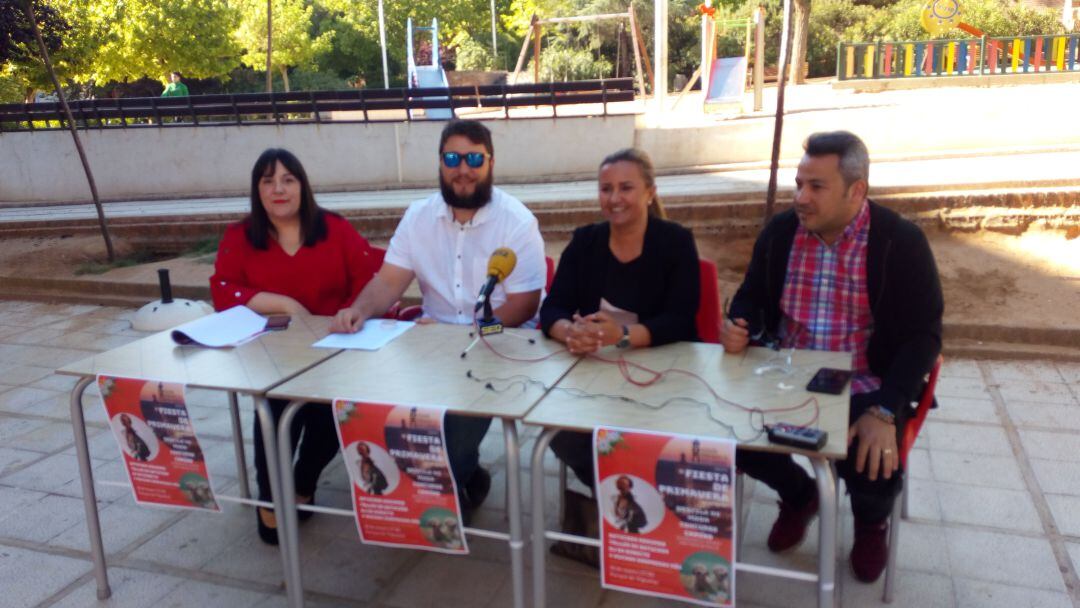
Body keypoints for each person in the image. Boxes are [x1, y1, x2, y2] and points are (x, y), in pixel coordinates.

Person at [723, 131, 943, 583]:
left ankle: (869, 523)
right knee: (724, 431)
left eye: (816, 186)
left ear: (856, 190)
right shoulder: (781, 233)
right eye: (799, 183)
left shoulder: (898, 242)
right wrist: (740, 324)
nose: (801, 197)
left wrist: (886, 409)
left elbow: (924, 337)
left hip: (865, 380)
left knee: (872, 459)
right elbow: (749, 298)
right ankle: (799, 494)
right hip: (785, 371)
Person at [331, 119, 547, 521]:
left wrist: (467, 333)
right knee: (377, 413)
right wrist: (359, 310)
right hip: (433, 346)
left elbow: (524, 305)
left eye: (473, 158)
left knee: (447, 437)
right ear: (439, 163)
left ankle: (453, 482)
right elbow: (388, 282)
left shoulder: (516, 222)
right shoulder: (418, 217)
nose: (462, 168)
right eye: (452, 157)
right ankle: (445, 482)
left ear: (490, 162)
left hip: (501, 342)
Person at [210, 148, 380, 545]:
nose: (278, 189)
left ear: (302, 186)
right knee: (272, 412)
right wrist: (282, 303)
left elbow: (370, 277)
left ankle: (304, 482)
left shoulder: (334, 229)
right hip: (271, 351)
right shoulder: (240, 235)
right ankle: (269, 497)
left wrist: (353, 311)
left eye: (288, 179)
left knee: (328, 418)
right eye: (268, 181)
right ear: (258, 190)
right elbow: (223, 289)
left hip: (333, 349)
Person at [540, 147, 700, 490]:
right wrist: (570, 332)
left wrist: (622, 336)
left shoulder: (676, 242)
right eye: (606, 188)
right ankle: (619, 498)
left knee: (659, 441)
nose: (614, 198)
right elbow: (551, 308)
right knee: (561, 435)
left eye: (626, 188)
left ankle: (640, 499)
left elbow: (681, 319)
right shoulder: (585, 242)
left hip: (664, 374)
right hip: (596, 376)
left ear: (649, 192)